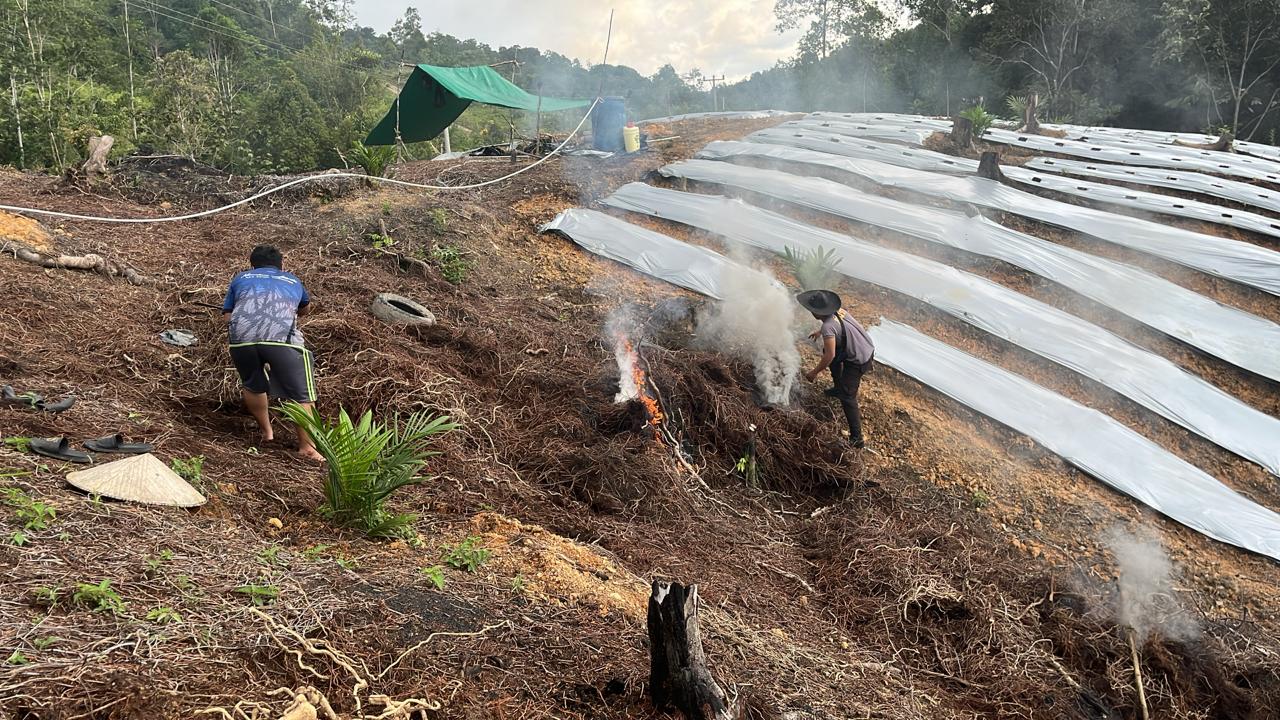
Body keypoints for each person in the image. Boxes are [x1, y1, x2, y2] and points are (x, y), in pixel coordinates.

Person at [222, 244, 322, 462]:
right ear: (281, 264)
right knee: (301, 394)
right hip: (282, 341)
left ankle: (267, 433)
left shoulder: (240, 279)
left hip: (241, 341)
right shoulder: (292, 280)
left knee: (252, 384)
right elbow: (304, 309)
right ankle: (307, 447)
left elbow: (227, 317)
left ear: (252, 264)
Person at [797, 289, 875, 449]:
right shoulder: (839, 312)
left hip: (859, 359)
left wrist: (814, 372)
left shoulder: (828, 327)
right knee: (828, 350)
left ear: (817, 312)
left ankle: (857, 438)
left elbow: (830, 356)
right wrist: (820, 332)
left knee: (848, 396)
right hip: (866, 345)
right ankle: (838, 387)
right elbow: (836, 327)